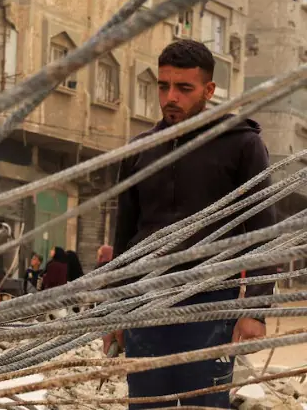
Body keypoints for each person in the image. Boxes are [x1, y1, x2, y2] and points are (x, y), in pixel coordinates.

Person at [104, 39, 275, 409]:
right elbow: (125, 240)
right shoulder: (140, 151)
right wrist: (116, 309)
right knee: (147, 404)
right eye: (163, 86)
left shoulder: (242, 145)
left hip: (211, 305)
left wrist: (255, 311)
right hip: (146, 305)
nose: (170, 97)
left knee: (204, 405)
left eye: (184, 88)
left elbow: (263, 232)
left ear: (209, 90)